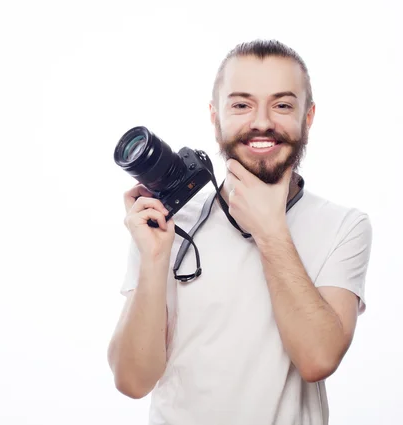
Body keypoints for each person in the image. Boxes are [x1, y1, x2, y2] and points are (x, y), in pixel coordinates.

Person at [106, 39, 373, 425]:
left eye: (282, 105)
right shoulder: (168, 221)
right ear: (215, 117)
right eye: (241, 104)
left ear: (308, 117)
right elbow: (132, 380)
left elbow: (318, 358)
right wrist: (153, 258)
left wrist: (270, 231)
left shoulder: (344, 226)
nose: (262, 122)